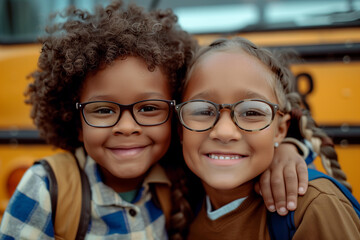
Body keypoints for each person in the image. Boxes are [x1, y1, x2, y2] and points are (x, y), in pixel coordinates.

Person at [0, 2, 310, 239]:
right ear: (76, 122)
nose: (126, 126)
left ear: (178, 117)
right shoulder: (45, 189)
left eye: (149, 109)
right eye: (104, 110)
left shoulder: (184, 178)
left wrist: (288, 149)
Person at [175, 37, 360, 239]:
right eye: (202, 111)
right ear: (180, 129)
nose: (225, 132)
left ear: (280, 130)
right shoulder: (182, 203)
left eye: (252, 113)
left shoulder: (313, 206)